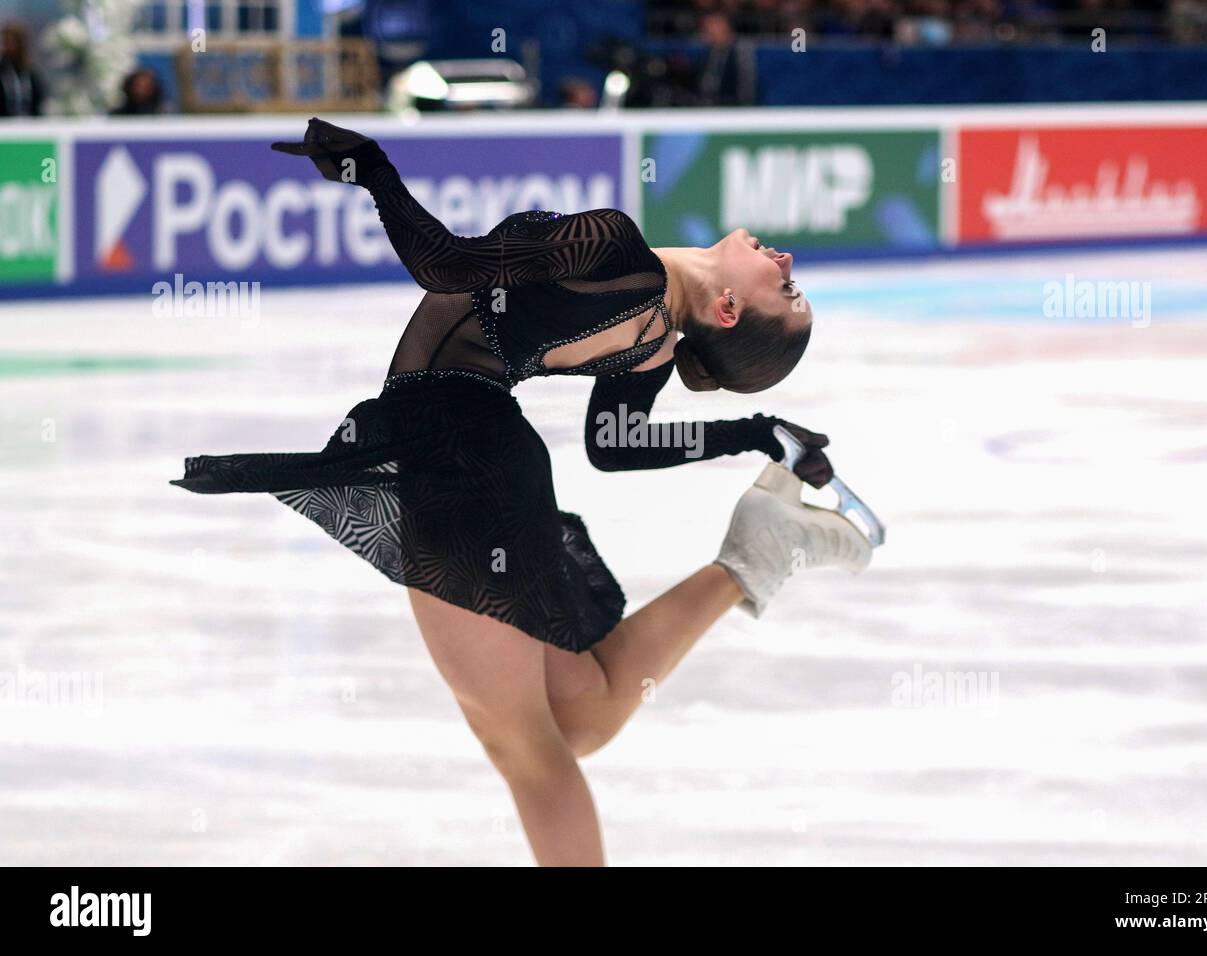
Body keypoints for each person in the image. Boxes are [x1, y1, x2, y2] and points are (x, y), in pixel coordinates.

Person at [170, 119, 874, 865]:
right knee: (580, 715)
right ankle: (756, 553)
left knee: (528, 746)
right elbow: (616, 445)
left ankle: (759, 551)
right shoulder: (657, 336)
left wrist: (371, 169)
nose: (787, 259)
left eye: (786, 287)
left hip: (459, 453)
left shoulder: (620, 253)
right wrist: (755, 433)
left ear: (728, 309)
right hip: (483, 452)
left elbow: (445, 266)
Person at [0, 22, 44, 117]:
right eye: (6, 42)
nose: (8, 47)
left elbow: (39, 96)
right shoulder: (2, 70)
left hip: (28, 122)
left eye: (12, 42)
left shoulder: (30, 72)